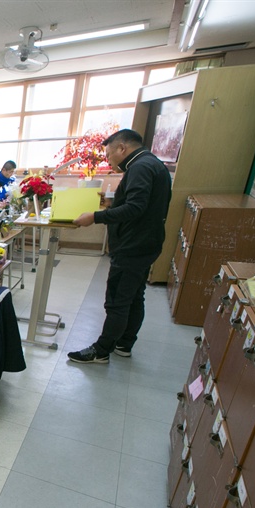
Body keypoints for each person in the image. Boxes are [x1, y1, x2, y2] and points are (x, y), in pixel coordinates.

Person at [67, 129, 172, 364]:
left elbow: (136, 208)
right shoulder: (151, 163)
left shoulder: (140, 167)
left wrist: (95, 216)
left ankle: (101, 351)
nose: (108, 159)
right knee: (134, 296)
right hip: (147, 242)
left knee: (117, 300)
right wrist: (114, 202)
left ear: (122, 148)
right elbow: (142, 203)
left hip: (133, 245)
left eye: (109, 154)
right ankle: (124, 343)